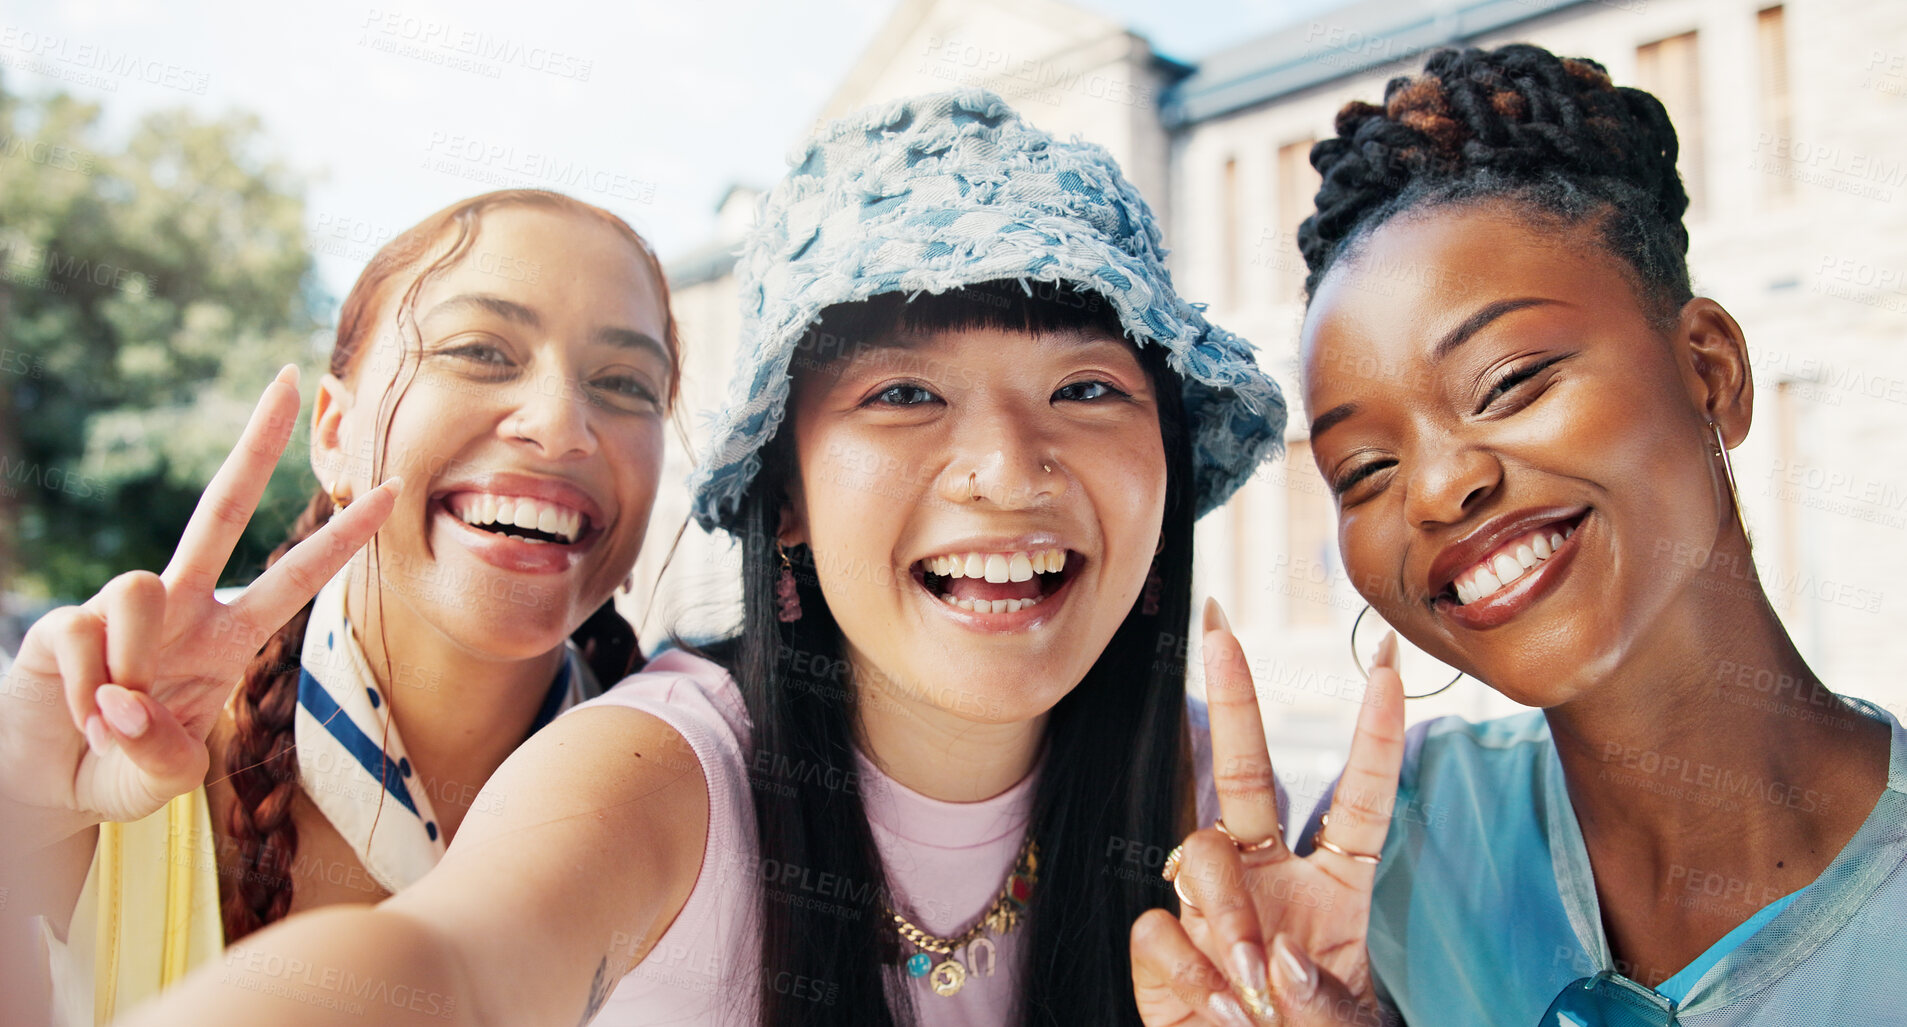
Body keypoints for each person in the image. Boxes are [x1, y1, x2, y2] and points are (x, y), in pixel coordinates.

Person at [109, 89, 1319, 1027]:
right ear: (782, 499)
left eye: (1087, 385)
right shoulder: (658, 771)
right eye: (904, 390)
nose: (1006, 468)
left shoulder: (1212, 808)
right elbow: (450, 964)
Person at [1136, 45, 1906, 1026]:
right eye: (1366, 470)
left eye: (1508, 383)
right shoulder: (1405, 853)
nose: (1440, 488)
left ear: (1711, 371)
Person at [0, 187, 681, 1025]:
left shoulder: (698, 801)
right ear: (333, 434)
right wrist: (12, 791)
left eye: (626, 382)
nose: (562, 422)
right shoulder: (126, 739)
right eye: (481, 351)